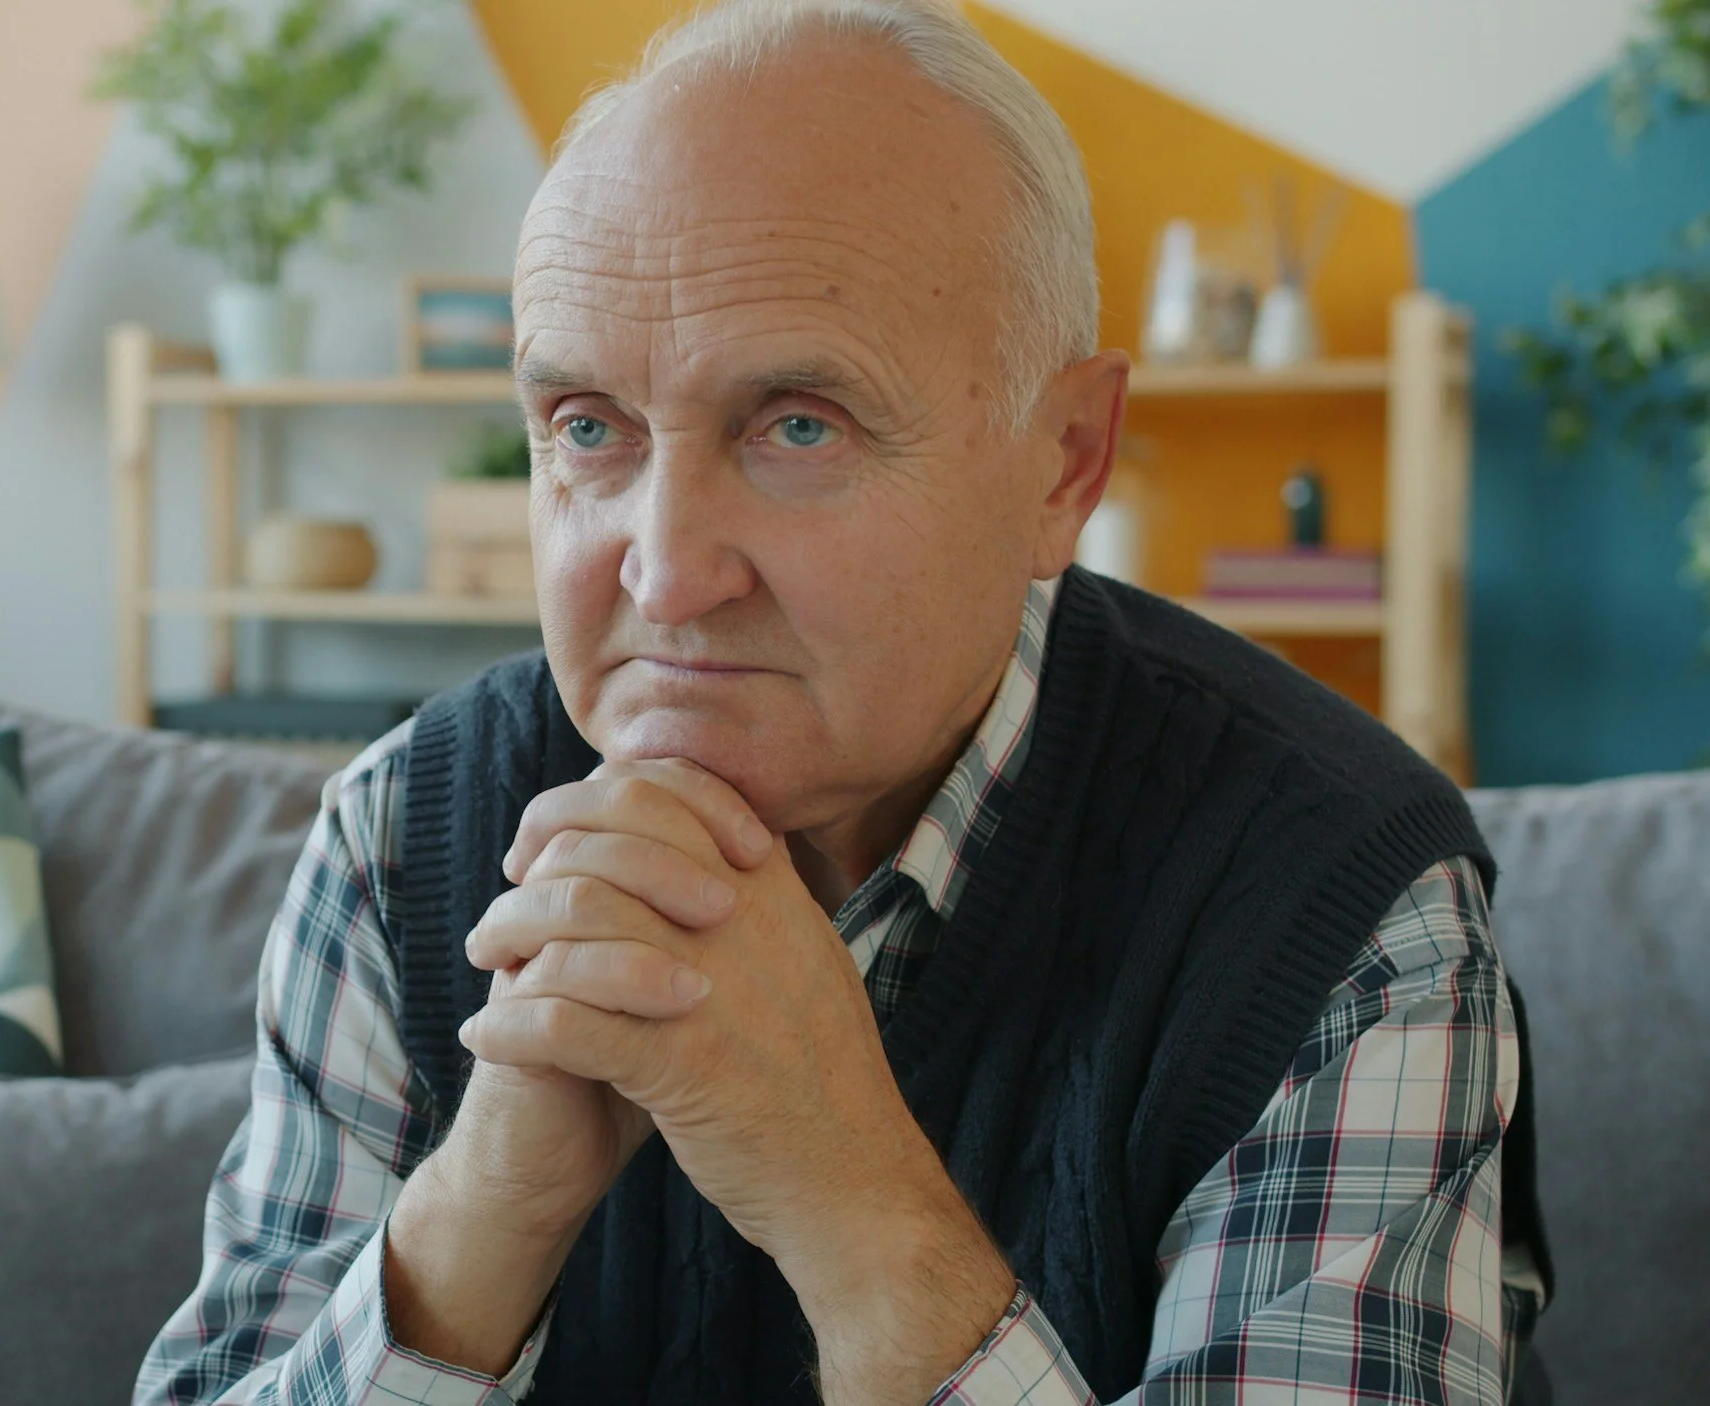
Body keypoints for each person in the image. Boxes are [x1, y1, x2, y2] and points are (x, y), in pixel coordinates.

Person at [135, 1, 1548, 1402]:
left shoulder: (1346, 908)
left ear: (1063, 461)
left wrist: (848, 1194)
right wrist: (484, 1205)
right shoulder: (400, 841)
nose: (668, 572)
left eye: (798, 424)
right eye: (586, 427)